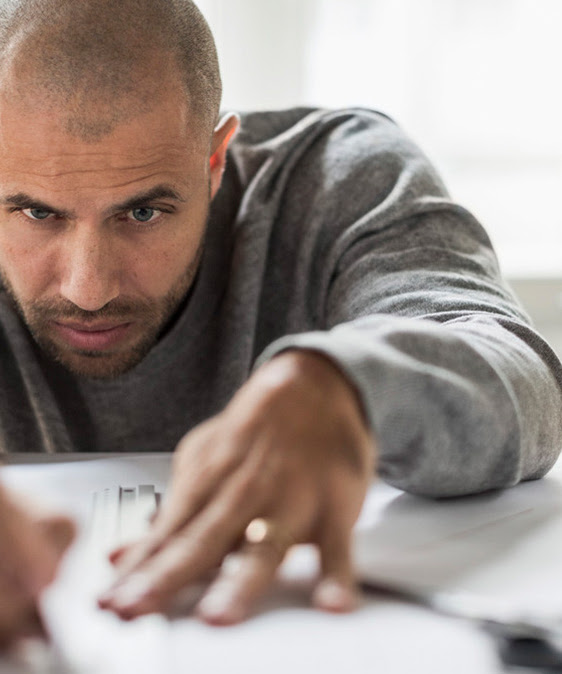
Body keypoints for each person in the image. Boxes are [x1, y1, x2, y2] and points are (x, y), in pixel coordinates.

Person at [0, 0, 561, 648]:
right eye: (37, 214)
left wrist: (342, 386)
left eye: (144, 213)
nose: (88, 288)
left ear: (214, 164)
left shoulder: (336, 177)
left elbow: (523, 373)